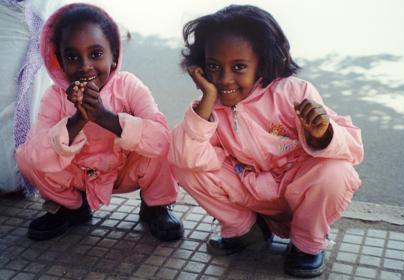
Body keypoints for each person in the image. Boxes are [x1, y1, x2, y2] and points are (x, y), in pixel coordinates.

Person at [168, 4, 363, 278]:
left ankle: (307, 244)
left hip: (299, 192)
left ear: (262, 60)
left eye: (238, 67)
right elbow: (185, 158)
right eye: (214, 66)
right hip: (251, 192)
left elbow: (353, 149)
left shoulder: (294, 92)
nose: (224, 79)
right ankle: (246, 230)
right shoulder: (209, 107)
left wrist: (323, 134)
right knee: (185, 161)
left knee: (336, 171)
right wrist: (207, 101)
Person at [16, 3, 183, 242]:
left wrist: (104, 117)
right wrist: (79, 119)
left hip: (125, 172)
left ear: (114, 56)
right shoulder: (54, 96)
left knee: (164, 143)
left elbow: (160, 140)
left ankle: (156, 207)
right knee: (26, 155)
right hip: (80, 176)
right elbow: (37, 156)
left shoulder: (129, 86)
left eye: (95, 54)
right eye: (72, 57)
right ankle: (71, 207)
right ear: (61, 63)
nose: (85, 66)